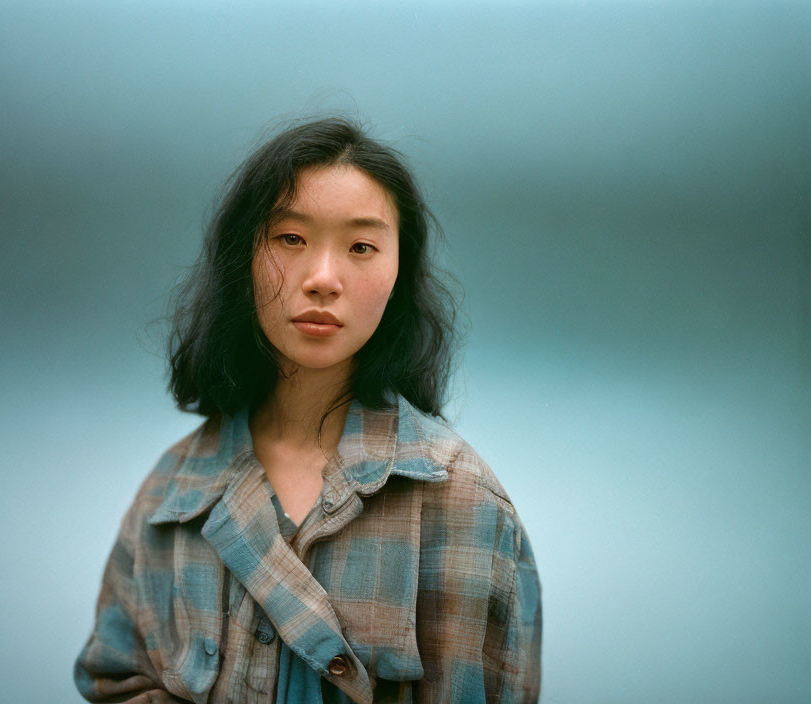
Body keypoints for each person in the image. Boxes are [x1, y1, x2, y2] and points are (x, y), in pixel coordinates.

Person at [74, 117, 542, 704]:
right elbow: (111, 681)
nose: (323, 279)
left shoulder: (459, 501)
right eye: (290, 239)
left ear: (399, 272)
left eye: (361, 247)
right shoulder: (173, 494)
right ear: (241, 256)